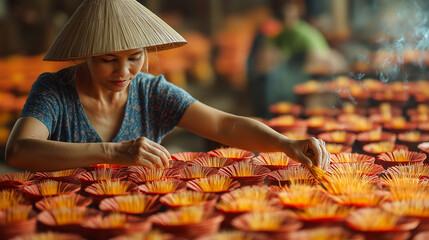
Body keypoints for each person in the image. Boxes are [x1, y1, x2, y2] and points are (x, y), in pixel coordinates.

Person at [5, 0, 330, 172]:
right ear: (86, 55)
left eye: (135, 57)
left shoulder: (151, 92)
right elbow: (19, 150)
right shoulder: (54, 91)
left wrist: (286, 144)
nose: (124, 72)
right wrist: (115, 152)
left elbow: (224, 125)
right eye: (107, 59)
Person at [248, 0, 346, 118]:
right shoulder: (276, 35)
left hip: (312, 87)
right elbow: (261, 64)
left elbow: (325, 62)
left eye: (290, 9)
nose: (287, 13)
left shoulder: (304, 33)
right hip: (286, 93)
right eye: (283, 9)